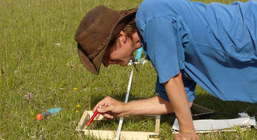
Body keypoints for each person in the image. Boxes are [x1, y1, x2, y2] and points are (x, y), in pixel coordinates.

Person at [75, 0, 257, 139]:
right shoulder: (152, 36)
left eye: (106, 56)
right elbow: (176, 100)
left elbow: (172, 79)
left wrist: (187, 131)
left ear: (121, 36)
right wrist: (122, 109)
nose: (107, 64)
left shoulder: (152, 17)